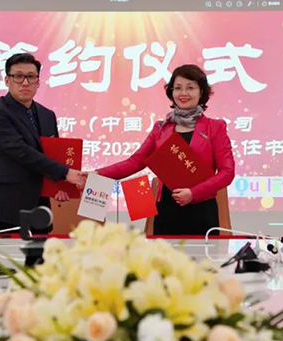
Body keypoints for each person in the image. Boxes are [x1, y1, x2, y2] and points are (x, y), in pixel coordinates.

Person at [95, 64, 235, 236]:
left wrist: (193, 193)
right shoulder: (161, 129)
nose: (183, 93)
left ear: (201, 92)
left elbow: (227, 172)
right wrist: (96, 174)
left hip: (201, 211)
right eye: (178, 88)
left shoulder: (215, 127)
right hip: (166, 211)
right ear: (171, 92)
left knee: (202, 255)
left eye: (190, 88)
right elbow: (135, 162)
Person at [0, 53, 86, 234]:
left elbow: (53, 154)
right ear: (7, 80)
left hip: (39, 211)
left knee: (40, 253)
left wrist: (59, 185)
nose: (25, 82)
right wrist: (65, 173)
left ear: (38, 82)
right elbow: (21, 151)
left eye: (31, 77)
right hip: (4, 209)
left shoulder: (47, 115)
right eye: (18, 76)